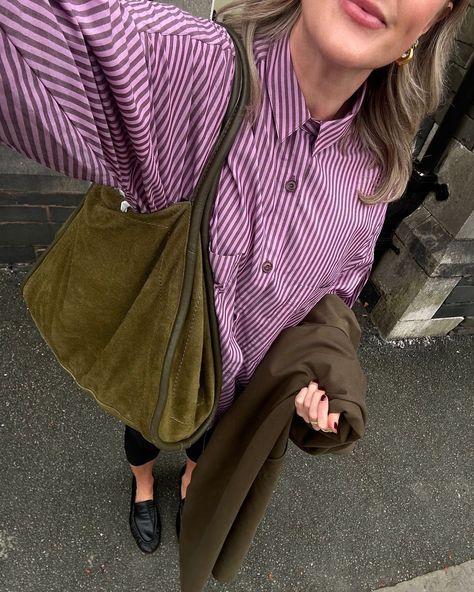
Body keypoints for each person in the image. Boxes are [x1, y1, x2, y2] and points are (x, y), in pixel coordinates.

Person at [0, 0, 468, 556]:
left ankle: (196, 474)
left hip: (241, 392)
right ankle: (144, 484)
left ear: (435, 22)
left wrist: (323, 373)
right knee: (146, 425)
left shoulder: (382, 159)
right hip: (163, 364)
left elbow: (341, 287)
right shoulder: (185, 70)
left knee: (207, 437)